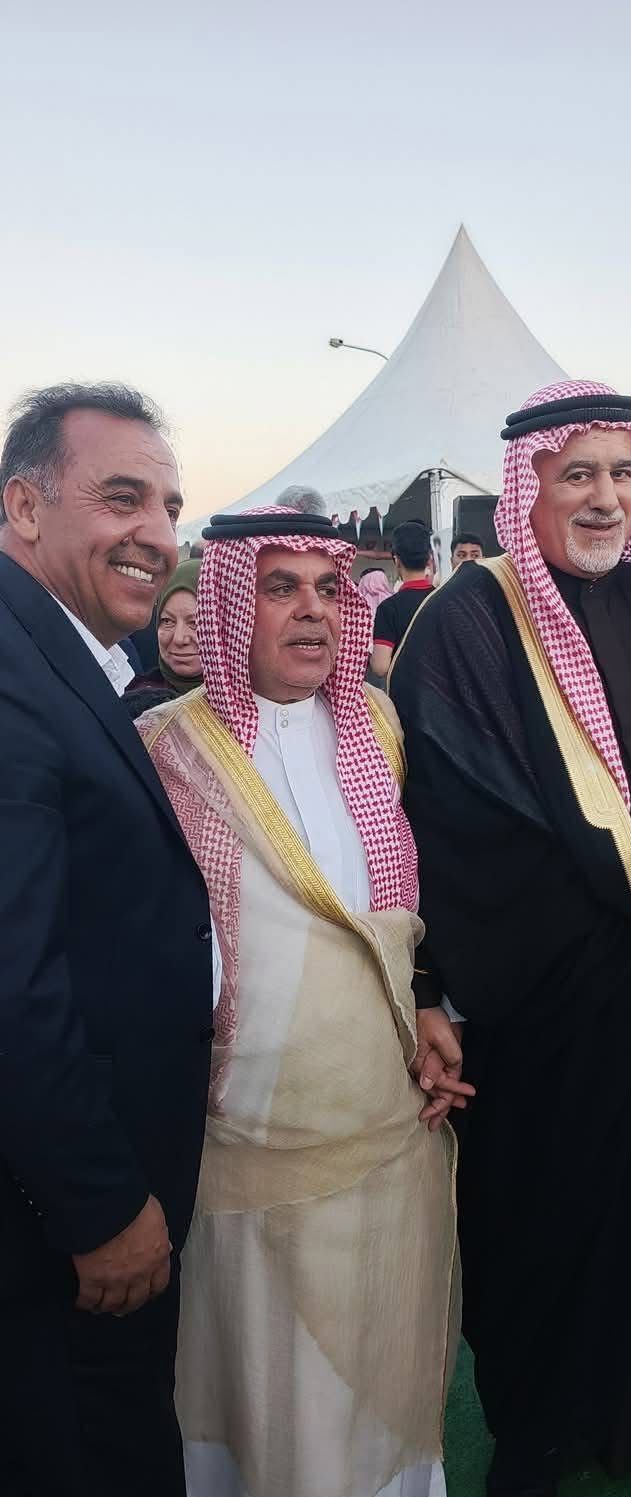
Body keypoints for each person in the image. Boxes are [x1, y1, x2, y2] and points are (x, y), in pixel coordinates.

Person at [389, 380, 631, 1497]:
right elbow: (474, 822)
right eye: (577, 473)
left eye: (622, 472)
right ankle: (540, 1435)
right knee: (557, 1229)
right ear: (525, 487)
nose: (605, 497)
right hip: (556, 1005)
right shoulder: (469, 621)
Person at [137, 506, 464, 1497]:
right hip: (242, 1142)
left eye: (328, 588)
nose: (313, 611)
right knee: (265, 1395)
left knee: (375, 1376)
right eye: (279, 588)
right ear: (232, 604)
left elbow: (396, 913)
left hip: (383, 1121)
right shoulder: (165, 747)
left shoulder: (377, 724)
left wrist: (429, 1009)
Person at [0, 383, 216, 1497]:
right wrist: (97, 1205)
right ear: (23, 507)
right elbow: (13, 983)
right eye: (122, 498)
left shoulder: (58, 652)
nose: (158, 536)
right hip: (64, 1226)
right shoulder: (12, 669)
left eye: (170, 508)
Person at [128, 559, 203, 697]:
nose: (179, 639)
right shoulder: (140, 701)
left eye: (195, 623)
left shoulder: (244, 699)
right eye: (167, 621)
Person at [371, 520, 433, 678]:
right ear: (429, 559)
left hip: (406, 691)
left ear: (397, 560)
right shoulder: (447, 599)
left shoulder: (388, 608)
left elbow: (380, 667)